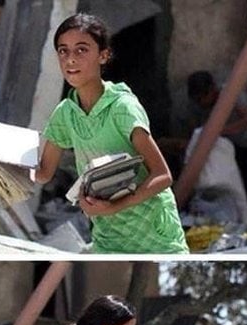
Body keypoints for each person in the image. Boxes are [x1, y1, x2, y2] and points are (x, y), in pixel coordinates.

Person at [32, 13, 188, 254]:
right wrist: (3, 169)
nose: (70, 59)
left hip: (154, 234)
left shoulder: (122, 107)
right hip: (109, 235)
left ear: (103, 55)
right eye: (63, 51)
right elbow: (43, 173)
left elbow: (163, 175)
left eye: (81, 50)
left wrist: (114, 207)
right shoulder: (65, 113)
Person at [187, 70, 247, 225]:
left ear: (211, 91)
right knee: (242, 188)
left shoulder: (229, 94)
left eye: (201, 98)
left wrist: (218, 131)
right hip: (236, 147)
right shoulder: (203, 106)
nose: (200, 103)